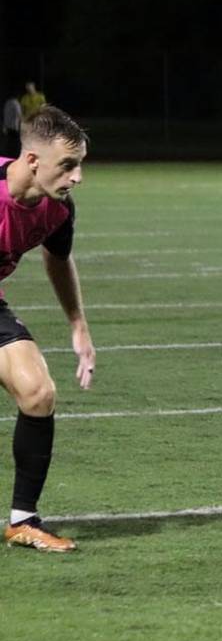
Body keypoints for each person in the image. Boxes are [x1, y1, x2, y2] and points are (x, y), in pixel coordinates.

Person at [1, 106, 95, 552]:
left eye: (79, 166)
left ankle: (23, 520)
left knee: (38, 393)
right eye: (68, 165)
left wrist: (78, 324)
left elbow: (58, 259)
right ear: (34, 161)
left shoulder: (56, 211)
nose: (76, 177)